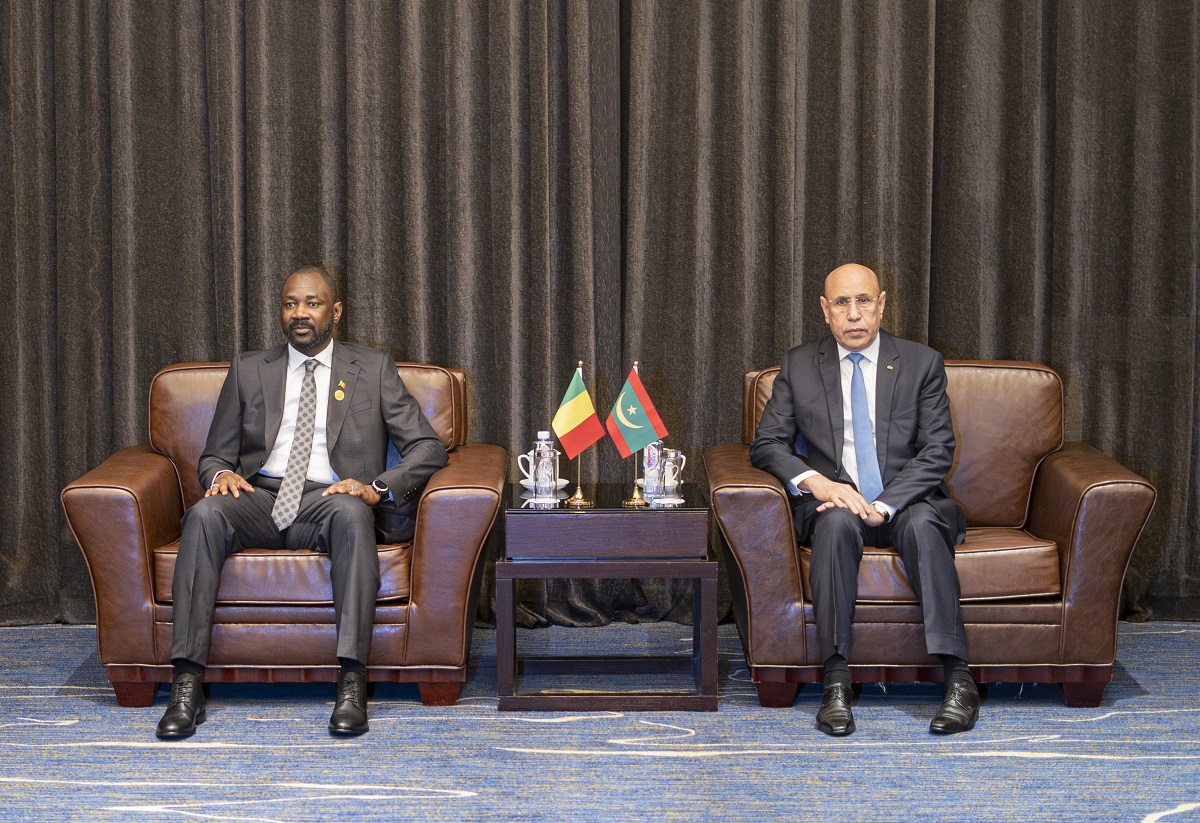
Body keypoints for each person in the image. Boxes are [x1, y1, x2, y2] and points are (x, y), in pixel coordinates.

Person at [156, 265, 448, 739]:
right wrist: (222, 475)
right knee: (205, 514)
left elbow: (428, 447)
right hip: (260, 496)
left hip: (328, 499)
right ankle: (186, 684)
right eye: (290, 303)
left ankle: (351, 681)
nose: (300, 313)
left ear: (335, 311)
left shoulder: (372, 368)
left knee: (353, 513)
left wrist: (375, 487)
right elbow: (213, 455)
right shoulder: (249, 369)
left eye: (312, 303)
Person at [750, 263, 979, 736]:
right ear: (825, 309)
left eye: (863, 301)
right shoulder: (798, 365)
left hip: (908, 501)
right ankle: (836, 682)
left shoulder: (920, 363)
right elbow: (767, 443)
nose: (853, 314)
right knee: (835, 524)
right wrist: (818, 483)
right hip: (836, 504)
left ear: (881, 304)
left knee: (922, 525)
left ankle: (958, 679)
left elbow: (938, 449)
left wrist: (886, 504)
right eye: (841, 303)